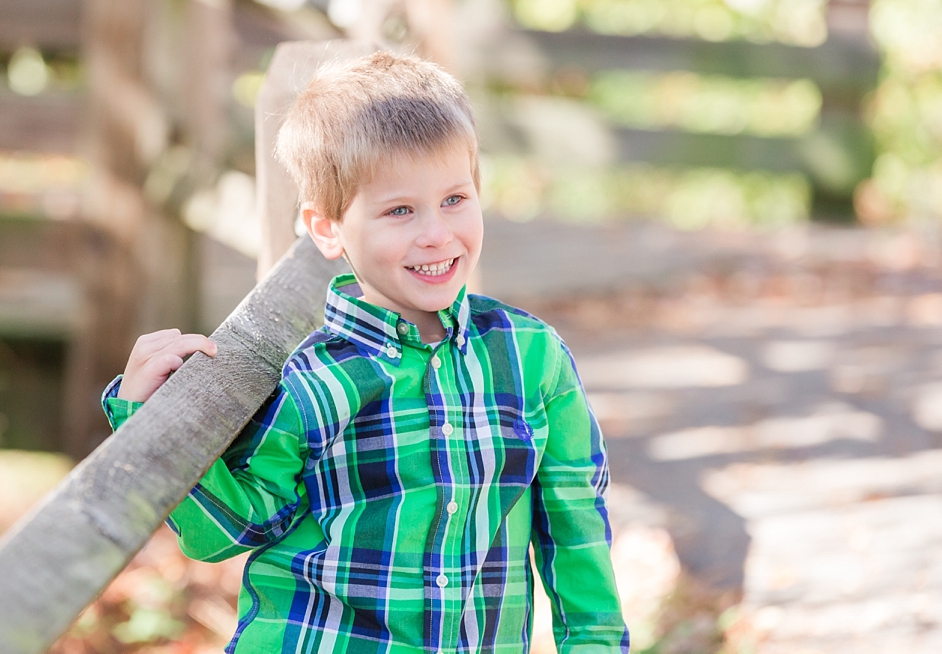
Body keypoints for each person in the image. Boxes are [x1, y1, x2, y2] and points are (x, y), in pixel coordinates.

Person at [102, 50, 628, 653]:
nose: (436, 232)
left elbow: (575, 527)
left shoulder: (533, 358)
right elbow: (224, 531)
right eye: (399, 210)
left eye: (455, 198)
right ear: (327, 228)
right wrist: (141, 415)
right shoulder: (315, 380)